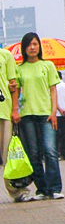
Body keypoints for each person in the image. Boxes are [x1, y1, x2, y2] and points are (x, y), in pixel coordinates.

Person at [13, 33, 63, 200]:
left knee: (50, 151)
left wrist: (53, 112)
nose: (32, 47)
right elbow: (16, 92)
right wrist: (15, 110)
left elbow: (53, 90)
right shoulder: (19, 69)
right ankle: (41, 189)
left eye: (35, 44)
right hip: (27, 115)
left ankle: (54, 188)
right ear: (24, 48)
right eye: (29, 45)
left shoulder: (47, 66)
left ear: (39, 47)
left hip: (46, 115)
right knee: (33, 154)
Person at [0, 44, 29, 202]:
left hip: (4, 111)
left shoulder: (5, 55)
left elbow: (13, 84)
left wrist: (15, 109)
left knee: (8, 155)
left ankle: (17, 191)